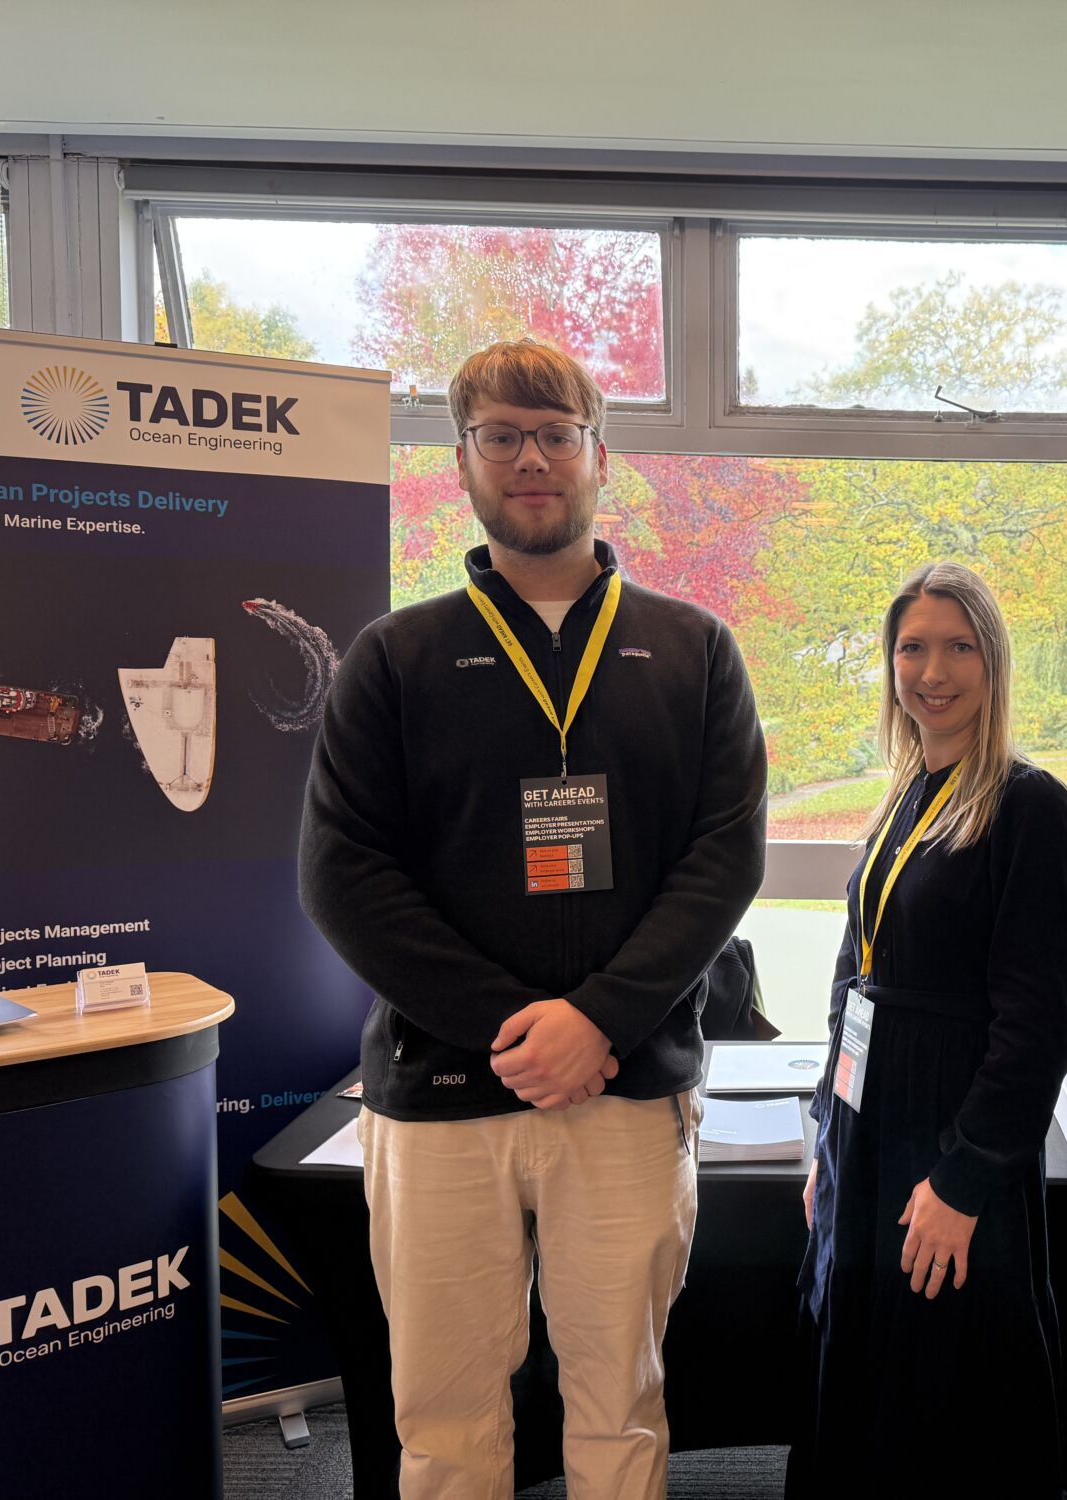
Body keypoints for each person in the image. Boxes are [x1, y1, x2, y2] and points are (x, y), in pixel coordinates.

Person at [298, 338, 767, 1499]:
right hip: (439, 1092)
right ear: (461, 460)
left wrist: (598, 1020)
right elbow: (342, 876)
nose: (530, 459)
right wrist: (516, 1027)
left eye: (556, 434)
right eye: (500, 436)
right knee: (444, 1419)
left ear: (599, 456)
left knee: (620, 1409)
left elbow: (722, 860)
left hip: (624, 1089)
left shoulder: (694, 650)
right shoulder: (394, 657)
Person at [789, 562, 1067, 1499]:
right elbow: (855, 973)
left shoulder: (1028, 805)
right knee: (868, 1364)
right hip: (870, 1125)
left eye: (959, 647)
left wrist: (963, 1180)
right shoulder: (908, 790)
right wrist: (828, 1137)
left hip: (952, 1131)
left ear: (993, 663)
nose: (933, 671)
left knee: (945, 1384)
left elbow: (1039, 1023)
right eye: (912, 648)